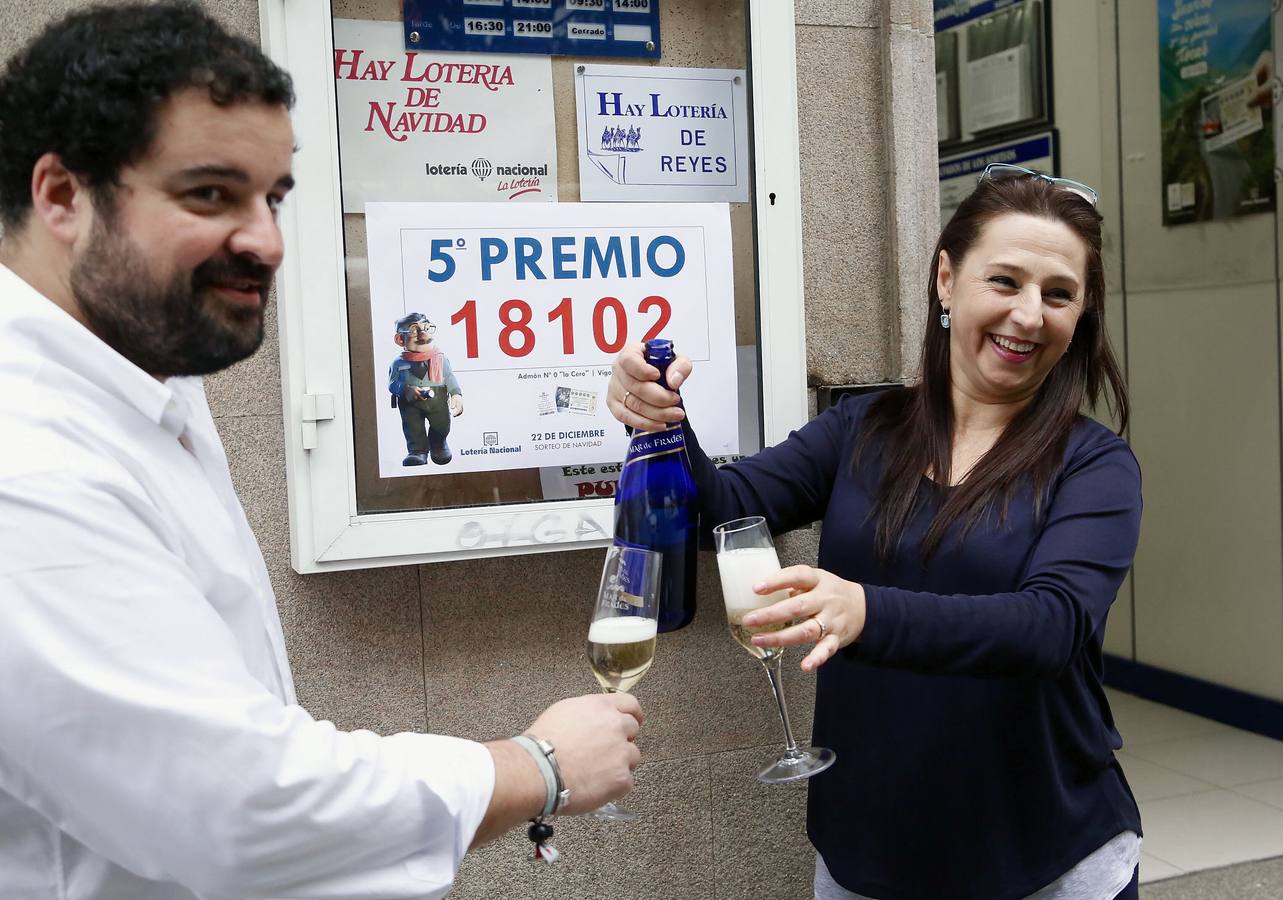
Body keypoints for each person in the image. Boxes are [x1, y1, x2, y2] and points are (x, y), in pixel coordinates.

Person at [0, 4, 642, 898]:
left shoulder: (142, 369)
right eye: (210, 193)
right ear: (63, 195)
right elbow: (238, 808)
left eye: (274, 197)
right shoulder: (25, 459)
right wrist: (535, 766)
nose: (266, 240)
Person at [609, 164, 1143, 900]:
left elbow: (1049, 627)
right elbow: (721, 511)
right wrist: (661, 421)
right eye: (1005, 281)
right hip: (869, 847)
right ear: (946, 281)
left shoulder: (1094, 464)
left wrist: (865, 611)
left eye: (1058, 294)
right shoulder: (863, 428)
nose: (1028, 314)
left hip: (1041, 853)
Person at [389, 311, 464, 466]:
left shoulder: (440, 359)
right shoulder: (398, 363)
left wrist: (456, 394)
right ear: (400, 339)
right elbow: (392, 384)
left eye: (426, 328)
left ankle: (438, 445)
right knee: (412, 428)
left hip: (437, 401)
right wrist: (404, 389)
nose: (423, 335)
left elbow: (449, 378)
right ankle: (417, 451)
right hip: (410, 404)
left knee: (442, 424)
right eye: (414, 331)